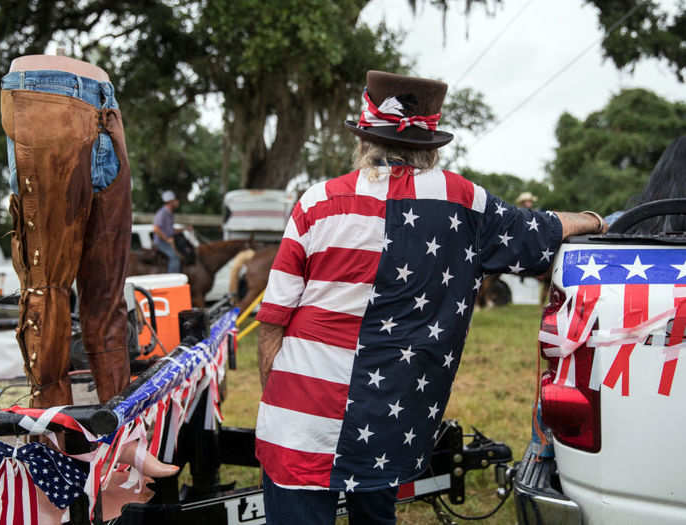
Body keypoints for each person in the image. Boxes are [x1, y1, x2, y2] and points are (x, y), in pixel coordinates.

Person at [254, 70, 607, 525]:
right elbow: (543, 229)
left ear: (364, 138)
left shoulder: (316, 202)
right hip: (386, 420)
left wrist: (276, 402)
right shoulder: (464, 201)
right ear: (432, 144)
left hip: (300, 413)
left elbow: (272, 322)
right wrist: (597, 220)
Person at [1, 54, 132, 408]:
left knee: (108, 295)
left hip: (105, 104)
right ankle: (55, 437)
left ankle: (122, 433)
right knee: (48, 289)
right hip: (44, 97)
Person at [153, 190, 182, 273]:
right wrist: (167, 239)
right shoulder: (162, 213)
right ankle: (172, 280)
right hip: (161, 243)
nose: (177, 202)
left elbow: (171, 230)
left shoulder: (170, 214)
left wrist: (185, 229)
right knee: (175, 257)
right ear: (170, 202)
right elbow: (156, 229)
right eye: (176, 200)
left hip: (167, 242)